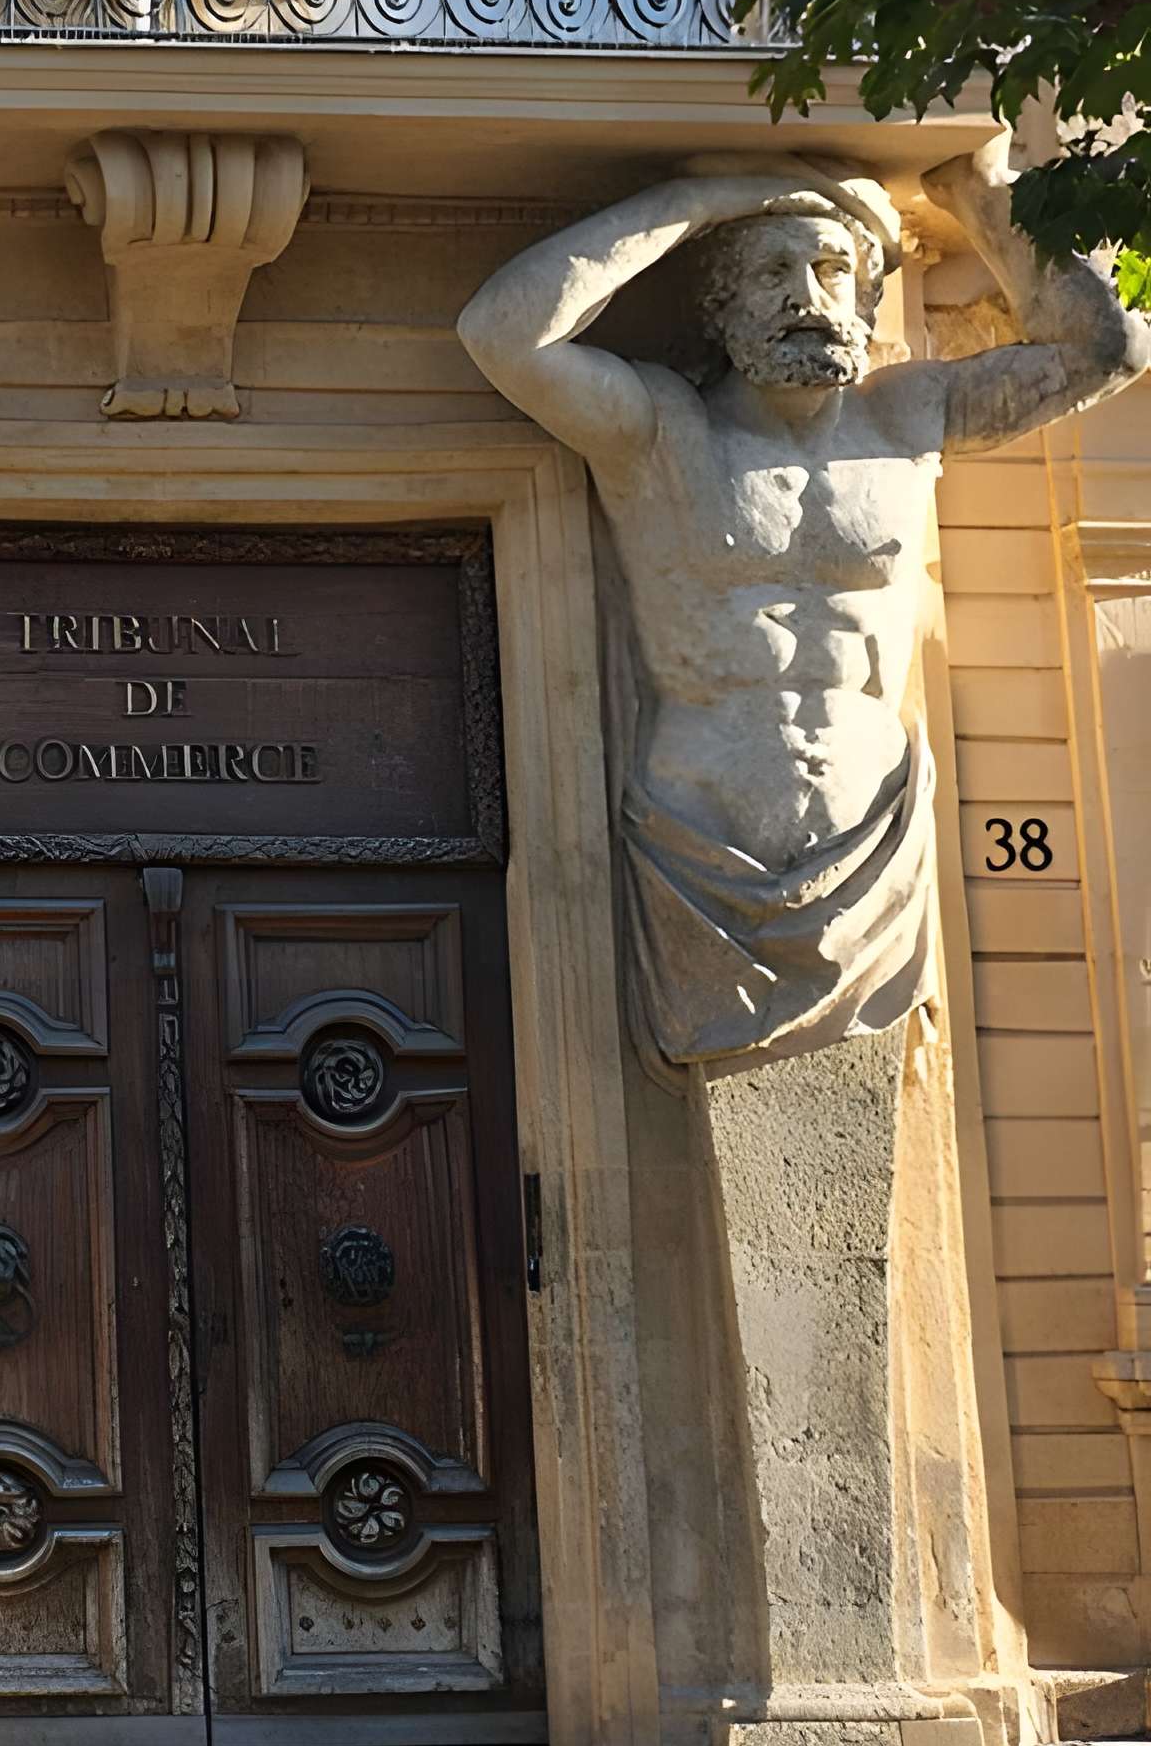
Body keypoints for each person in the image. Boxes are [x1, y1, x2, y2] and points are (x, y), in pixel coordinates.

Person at [456, 142, 1146, 1063]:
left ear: (867, 298)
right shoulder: (662, 428)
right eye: (771, 270)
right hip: (701, 855)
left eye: (831, 271)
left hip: (872, 848)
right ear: (718, 302)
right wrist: (694, 201)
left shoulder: (909, 418)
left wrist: (976, 191)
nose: (808, 297)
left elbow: (1108, 348)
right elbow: (500, 331)